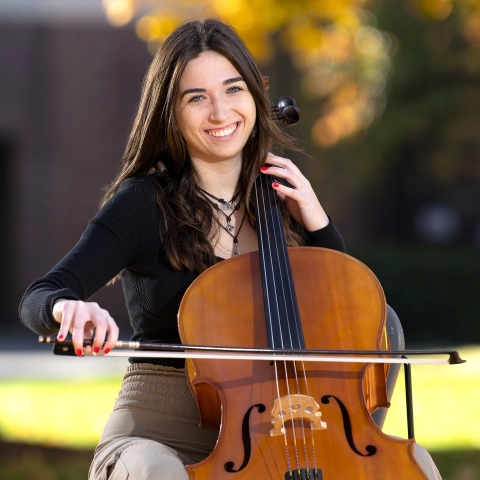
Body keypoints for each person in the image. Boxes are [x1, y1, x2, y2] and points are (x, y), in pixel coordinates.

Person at [19, 18, 441, 480]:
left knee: (414, 461)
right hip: (162, 436)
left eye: (233, 90)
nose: (220, 113)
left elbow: (349, 318)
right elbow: (40, 295)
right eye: (196, 98)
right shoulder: (142, 203)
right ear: (170, 114)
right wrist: (67, 310)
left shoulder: (281, 201)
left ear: (256, 100)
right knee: (158, 471)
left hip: (285, 435)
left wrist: (319, 224)